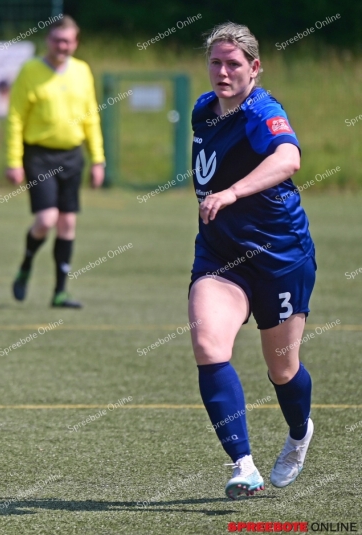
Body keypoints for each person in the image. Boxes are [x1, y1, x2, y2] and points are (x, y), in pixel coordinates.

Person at [188, 23, 316, 499]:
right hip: (220, 255)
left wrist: (233, 192)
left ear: (254, 68)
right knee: (208, 345)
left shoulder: (263, 111)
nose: (223, 72)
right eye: (216, 62)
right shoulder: (203, 110)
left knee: (282, 369)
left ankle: (299, 432)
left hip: (280, 256)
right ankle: (244, 466)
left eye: (233, 64)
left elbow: (288, 158)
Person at [5, 15, 106, 308]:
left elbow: (91, 117)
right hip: (39, 155)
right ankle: (26, 264)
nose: (62, 46)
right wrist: (14, 161)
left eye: (68, 41)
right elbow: (15, 117)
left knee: (67, 223)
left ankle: (60, 292)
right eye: (57, 40)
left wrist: (97, 159)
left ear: (76, 43)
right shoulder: (30, 71)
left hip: (72, 155)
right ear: (48, 40)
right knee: (46, 220)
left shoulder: (82, 71)